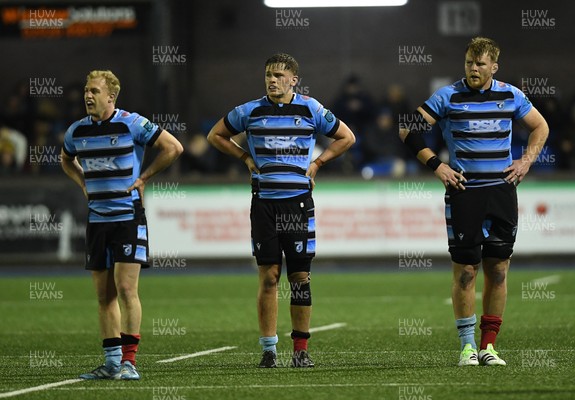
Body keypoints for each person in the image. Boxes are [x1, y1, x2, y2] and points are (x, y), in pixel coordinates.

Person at [399, 37, 549, 366]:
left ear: (494, 67)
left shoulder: (511, 95)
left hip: (501, 191)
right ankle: (467, 347)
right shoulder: (448, 96)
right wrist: (437, 166)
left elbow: (540, 126)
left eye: (480, 64)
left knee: (498, 270)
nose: (473, 69)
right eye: (469, 63)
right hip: (465, 192)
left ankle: (488, 347)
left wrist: (526, 161)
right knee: (466, 271)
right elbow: (407, 130)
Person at [207, 53, 355, 368]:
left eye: (278, 75)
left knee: (300, 277)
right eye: (268, 76)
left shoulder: (311, 108)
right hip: (264, 203)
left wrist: (317, 163)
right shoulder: (250, 110)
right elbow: (215, 135)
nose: (272, 80)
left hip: (298, 203)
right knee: (269, 276)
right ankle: (269, 350)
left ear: (293, 80)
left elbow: (347, 137)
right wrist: (245, 158)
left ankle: (300, 350)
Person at [61, 70, 183, 379]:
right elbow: (65, 158)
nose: (88, 96)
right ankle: (112, 363)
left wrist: (144, 178)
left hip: (128, 218)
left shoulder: (132, 123)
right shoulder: (76, 131)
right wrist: (82, 184)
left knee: (127, 288)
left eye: (94, 91)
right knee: (104, 296)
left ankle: (130, 362)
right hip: (97, 221)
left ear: (111, 97)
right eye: (86, 91)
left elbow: (173, 147)